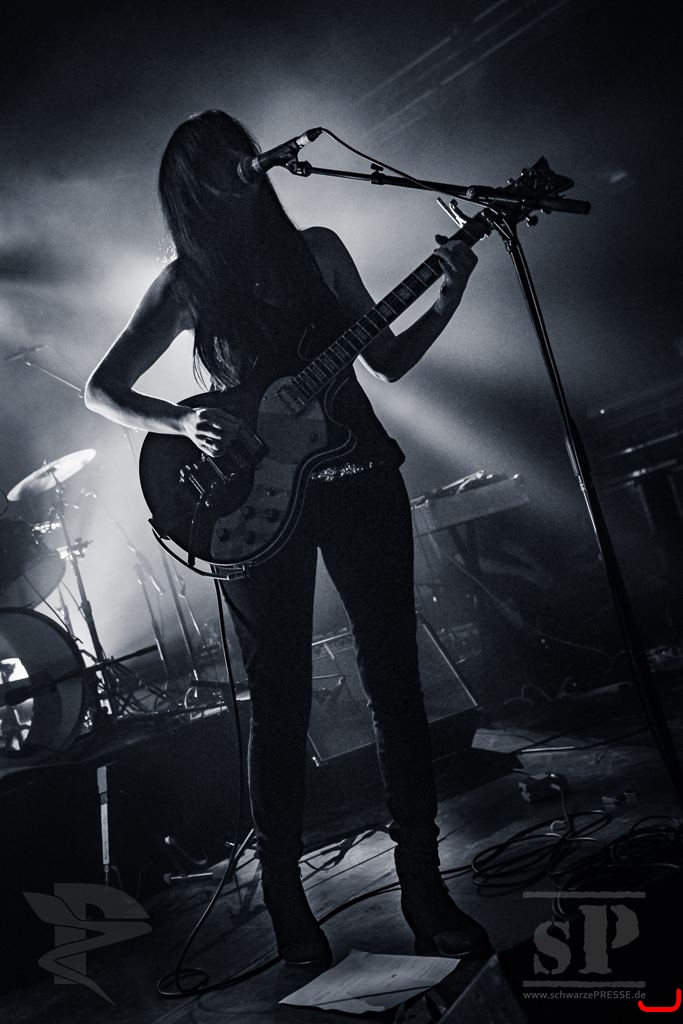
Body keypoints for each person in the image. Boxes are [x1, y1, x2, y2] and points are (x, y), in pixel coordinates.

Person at [84, 109, 491, 968]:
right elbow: (103, 388)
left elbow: (387, 360)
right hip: (255, 503)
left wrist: (449, 293)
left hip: (361, 477)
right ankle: (285, 901)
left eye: (241, 148)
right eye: (216, 158)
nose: (240, 162)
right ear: (191, 183)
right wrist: (180, 422)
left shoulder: (319, 249)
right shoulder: (185, 283)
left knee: (396, 681)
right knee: (280, 699)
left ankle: (424, 885)